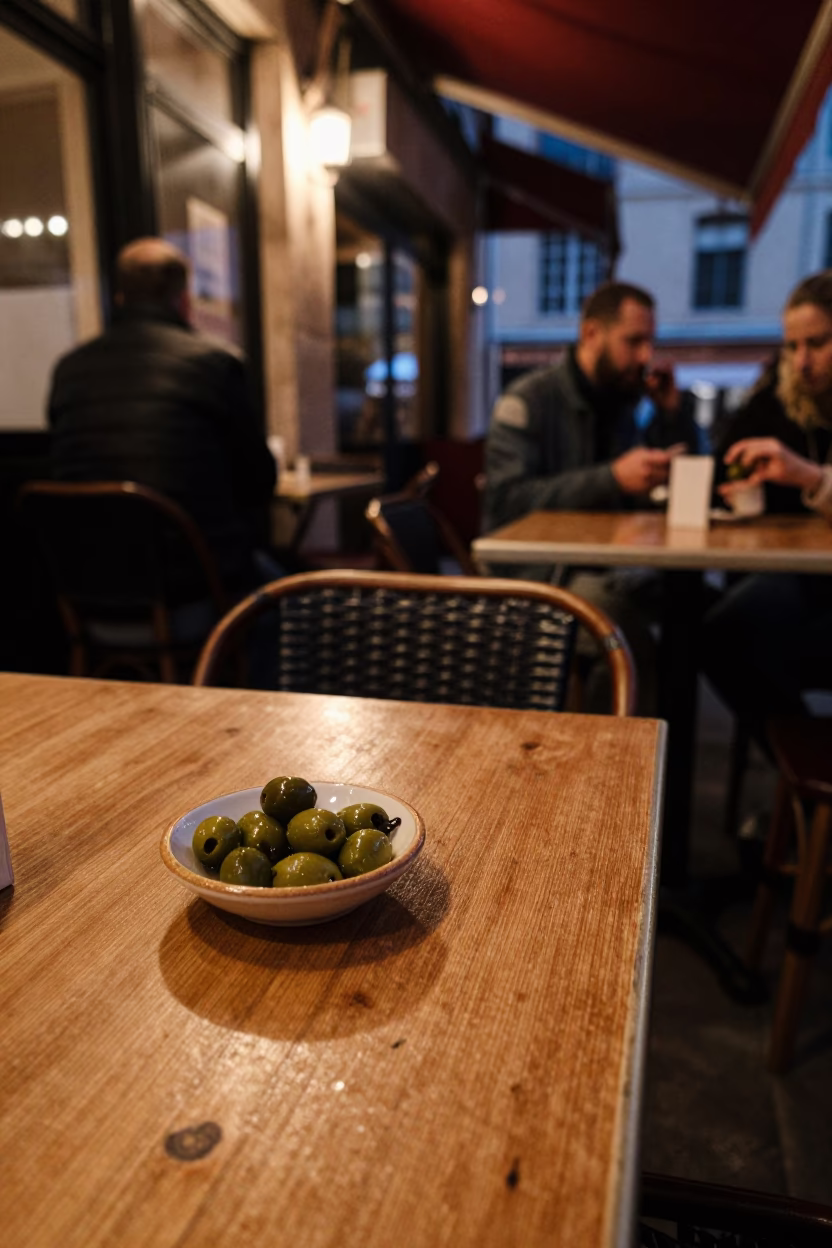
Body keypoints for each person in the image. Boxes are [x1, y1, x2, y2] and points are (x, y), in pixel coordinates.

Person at [482, 280, 692, 712]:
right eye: (634, 341)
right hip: (537, 576)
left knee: (696, 612)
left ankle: (671, 755)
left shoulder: (624, 402)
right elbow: (505, 503)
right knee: (622, 632)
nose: (645, 356)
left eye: (650, 342)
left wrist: (673, 415)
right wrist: (612, 478)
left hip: (607, 563)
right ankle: (614, 766)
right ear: (592, 333)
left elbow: (686, 486)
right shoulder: (528, 401)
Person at [48, 236, 277, 598]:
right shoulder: (214, 364)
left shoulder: (68, 368)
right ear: (184, 300)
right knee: (283, 595)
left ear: (118, 298)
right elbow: (259, 482)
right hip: (192, 588)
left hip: (87, 590)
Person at [701, 271, 832, 745]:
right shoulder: (780, 399)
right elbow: (724, 465)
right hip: (801, 580)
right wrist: (736, 483)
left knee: (726, 638)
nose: (801, 362)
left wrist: (809, 477)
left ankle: (802, 787)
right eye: (792, 346)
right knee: (715, 632)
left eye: (816, 343)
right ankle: (796, 781)